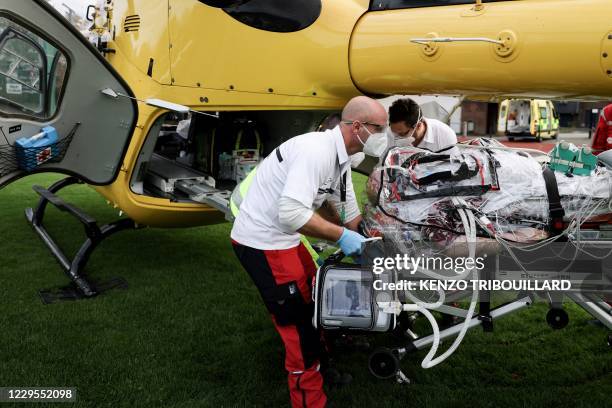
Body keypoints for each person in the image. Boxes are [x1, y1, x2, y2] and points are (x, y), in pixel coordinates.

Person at [231, 96, 388, 408]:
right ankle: (309, 401)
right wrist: (343, 236)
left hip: (283, 240)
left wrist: (365, 236)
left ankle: (322, 368)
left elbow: (342, 204)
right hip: (263, 242)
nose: (383, 135)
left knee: (317, 300)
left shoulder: (342, 156)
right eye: (379, 128)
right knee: (297, 324)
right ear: (357, 126)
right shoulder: (315, 151)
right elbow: (290, 214)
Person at [388, 98, 458, 151]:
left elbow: (452, 166)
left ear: (418, 125)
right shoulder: (389, 134)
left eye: (402, 134)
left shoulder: (444, 135)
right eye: (393, 131)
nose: (396, 137)